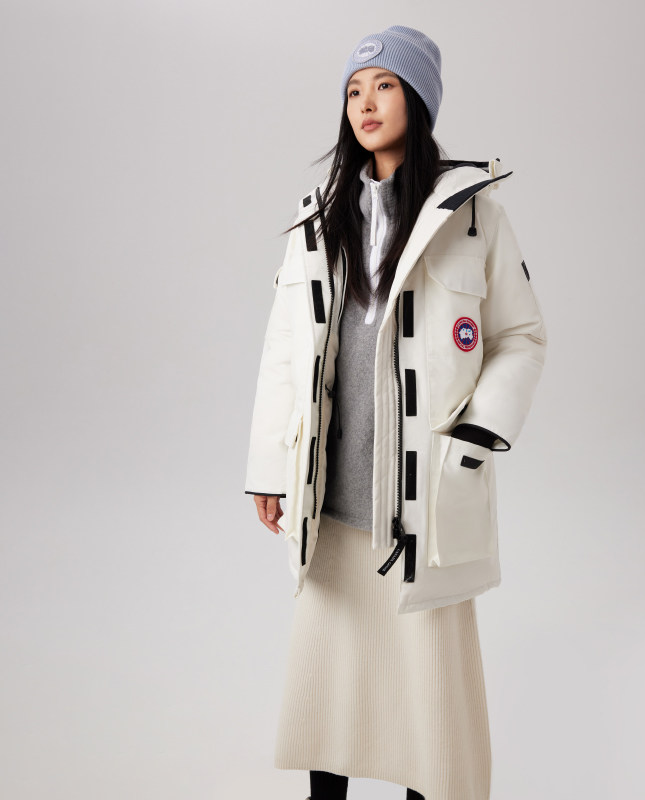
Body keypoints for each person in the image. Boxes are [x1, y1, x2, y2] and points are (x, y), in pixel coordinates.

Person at [244, 24, 548, 800]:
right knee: (330, 688)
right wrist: (269, 469)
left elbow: (521, 335)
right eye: (354, 90)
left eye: (383, 86)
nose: (365, 103)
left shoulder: (472, 216)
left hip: (425, 502)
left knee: (429, 700)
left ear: (418, 98)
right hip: (331, 496)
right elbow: (285, 351)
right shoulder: (318, 219)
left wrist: (476, 436)